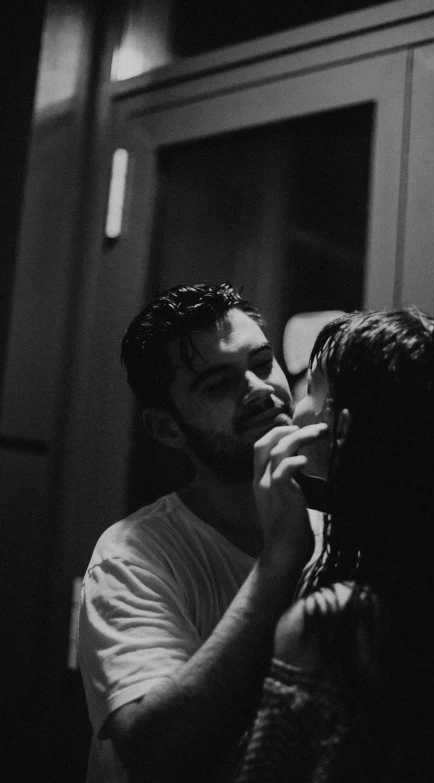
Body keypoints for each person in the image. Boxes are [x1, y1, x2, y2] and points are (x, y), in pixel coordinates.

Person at [236, 308, 434, 782]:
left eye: (313, 386)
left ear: (341, 424)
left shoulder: (336, 629)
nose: (295, 405)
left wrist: (280, 553)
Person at [78, 283, 326, 783]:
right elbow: (158, 755)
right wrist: (280, 559)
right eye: (217, 385)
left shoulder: (338, 527)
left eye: (261, 362)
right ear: (167, 429)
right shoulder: (130, 559)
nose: (259, 389)